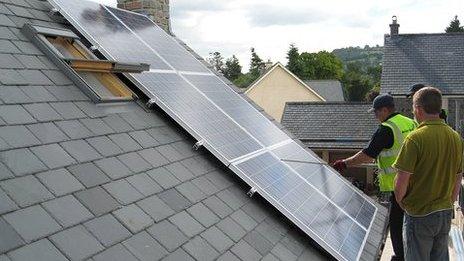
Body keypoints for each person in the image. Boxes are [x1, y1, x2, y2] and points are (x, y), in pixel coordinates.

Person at [332, 94, 416, 261]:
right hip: (416, 182)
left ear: (385, 110)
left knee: (397, 224)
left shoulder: (386, 128)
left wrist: (344, 163)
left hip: (397, 185)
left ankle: (401, 257)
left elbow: (367, 155)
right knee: (413, 223)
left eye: (376, 112)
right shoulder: (410, 122)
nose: (375, 116)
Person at [394, 87, 463, 261]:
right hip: (444, 212)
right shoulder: (455, 137)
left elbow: (401, 180)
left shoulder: (415, 138)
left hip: (419, 214)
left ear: (418, 108)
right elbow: (458, 176)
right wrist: (451, 201)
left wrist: (402, 202)